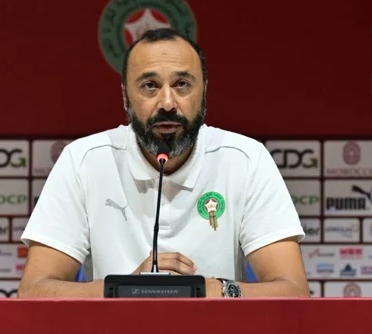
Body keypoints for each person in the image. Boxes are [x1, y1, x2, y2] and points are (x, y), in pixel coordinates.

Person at [17, 28, 309, 298]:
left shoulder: (246, 159)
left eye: (182, 84)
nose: (167, 102)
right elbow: (34, 291)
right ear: (125, 96)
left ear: (204, 91)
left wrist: (213, 290)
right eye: (150, 86)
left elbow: (293, 291)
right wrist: (127, 290)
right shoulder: (83, 161)